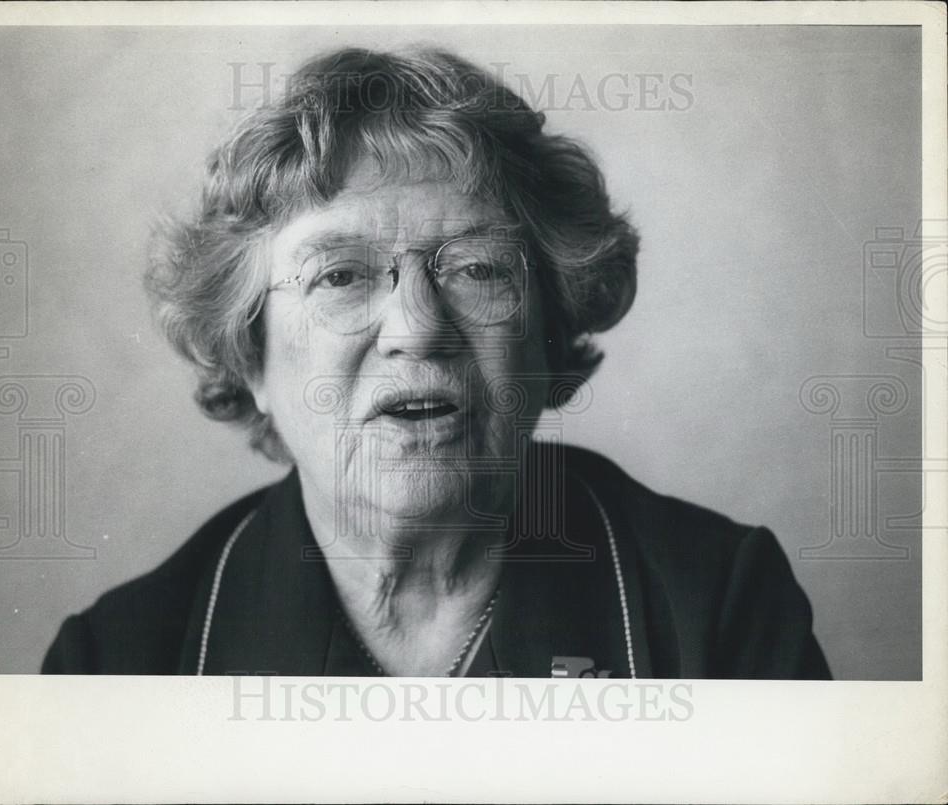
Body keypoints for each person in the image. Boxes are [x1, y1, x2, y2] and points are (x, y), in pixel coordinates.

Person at [42, 46, 830, 679]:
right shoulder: (114, 664)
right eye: (340, 275)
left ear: (549, 331)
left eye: (478, 268)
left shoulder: (721, 606)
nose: (417, 330)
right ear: (249, 356)